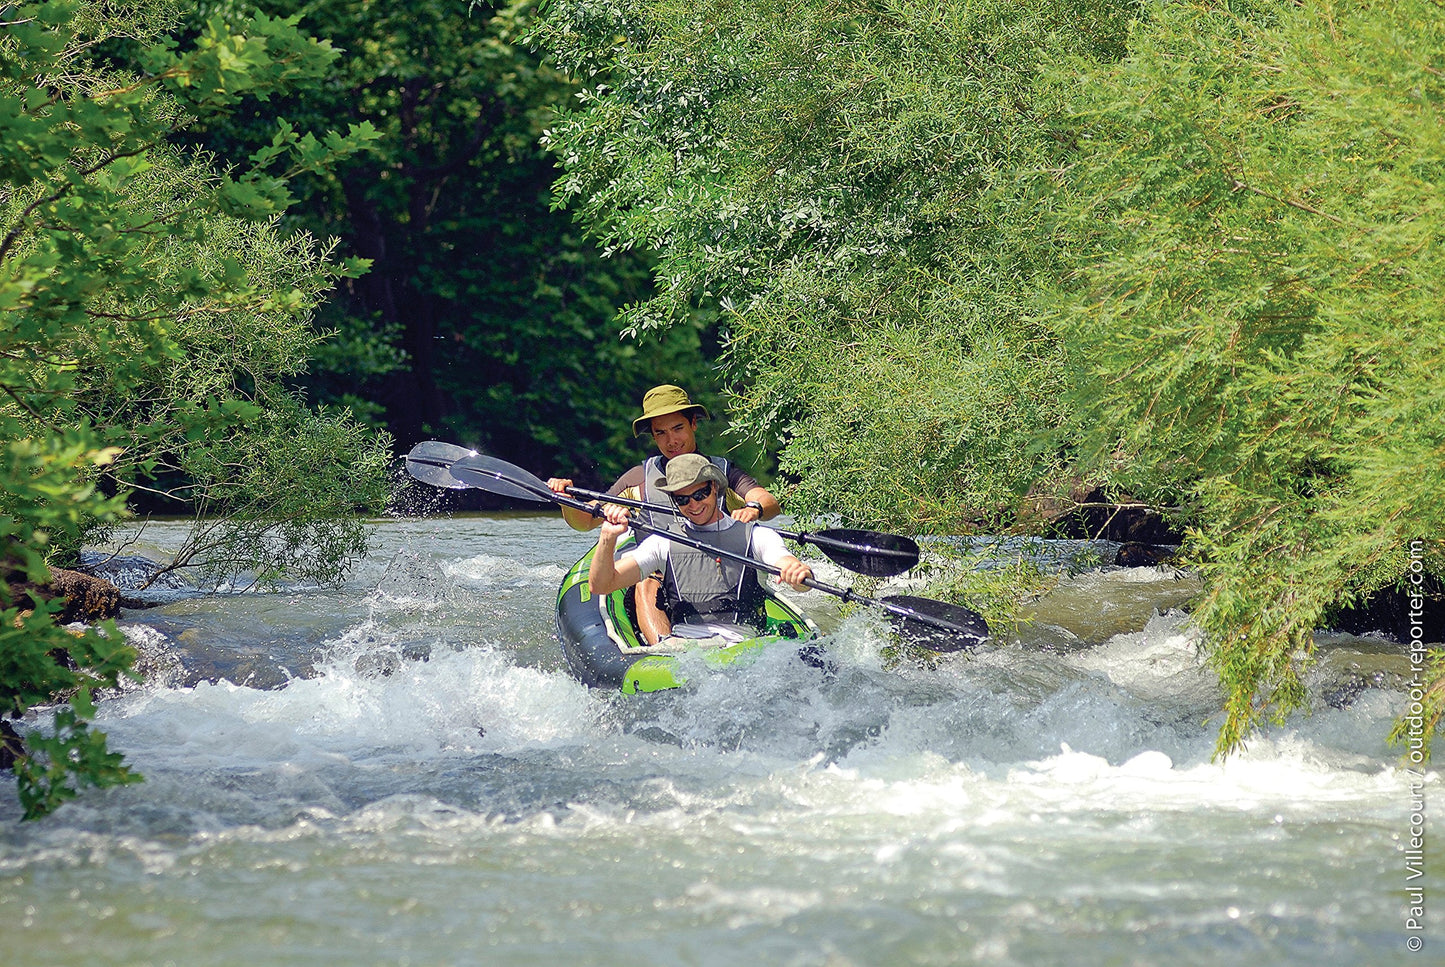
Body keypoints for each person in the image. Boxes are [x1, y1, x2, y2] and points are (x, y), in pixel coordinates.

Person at [548, 384, 781, 644]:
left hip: (719, 576)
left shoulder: (719, 472)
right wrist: (565, 500)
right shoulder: (637, 480)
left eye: (678, 428)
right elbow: (586, 521)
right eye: (661, 433)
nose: (671, 441)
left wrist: (753, 508)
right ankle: (665, 650)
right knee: (648, 582)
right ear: (653, 437)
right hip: (659, 578)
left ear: (693, 423)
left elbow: (767, 501)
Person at [587, 454, 813, 644]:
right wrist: (607, 537)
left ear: (714, 488)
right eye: (683, 500)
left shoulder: (756, 535)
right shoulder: (661, 542)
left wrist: (796, 572)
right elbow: (601, 584)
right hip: (684, 650)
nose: (693, 505)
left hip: (742, 647)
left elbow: (790, 569)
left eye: (700, 494)